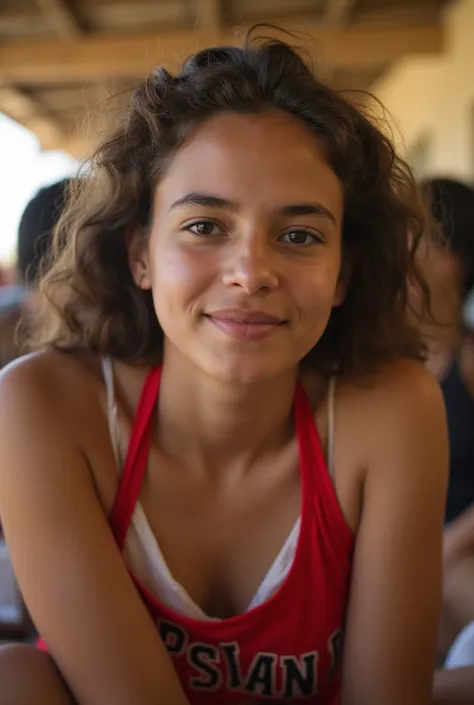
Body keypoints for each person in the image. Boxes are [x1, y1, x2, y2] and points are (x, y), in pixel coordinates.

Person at [0, 31, 448, 705]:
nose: (251, 273)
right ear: (140, 254)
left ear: (343, 274)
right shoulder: (45, 407)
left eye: (299, 235)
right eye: (205, 226)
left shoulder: (388, 409)